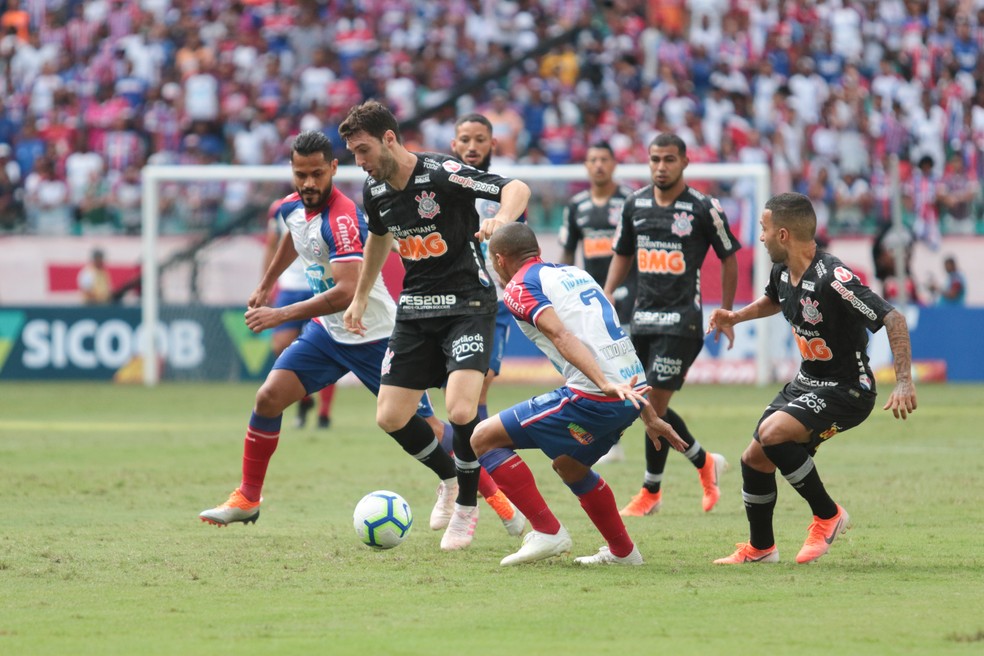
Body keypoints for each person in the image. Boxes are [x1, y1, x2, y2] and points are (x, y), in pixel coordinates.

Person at [199, 131, 460, 527]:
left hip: (376, 336)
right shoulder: (291, 206)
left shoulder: (342, 218)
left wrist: (280, 313)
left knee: (427, 428)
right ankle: (248, 498)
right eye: (300, 174)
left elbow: (346, 292)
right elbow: (295, 236)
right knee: (268, 398)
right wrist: (266, 284)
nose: (308, 183)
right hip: (328, 334)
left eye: (317, 174)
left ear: (334, 169)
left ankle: (486, 492)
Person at [339, 101, 531, 551]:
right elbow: (379, 236)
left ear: (389, 138)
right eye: (353, 154)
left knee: (461, 411)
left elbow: (516, 187)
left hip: (468, 304)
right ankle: (449, 477)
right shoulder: (375, 189)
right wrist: (361, 295)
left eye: (363, 150)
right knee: (390, 417)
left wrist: (501, 219)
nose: (360, 162)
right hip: (416, 311)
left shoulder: (442, 172)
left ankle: (466, 508)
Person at [708, 192, 916, 565]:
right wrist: (736, 317)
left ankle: (828, 515)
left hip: (848, 388)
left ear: (783, 234)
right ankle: (761, 549)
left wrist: (903, 380)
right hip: (807, 381)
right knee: (753, 458)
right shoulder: (783, 270)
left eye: (764, 229)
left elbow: (893, 317)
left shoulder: (834, 278)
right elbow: (774, 299)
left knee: (772, 434)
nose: (760, 237)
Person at [471, 222, 686, 566]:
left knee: (483, 439)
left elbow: (561, 336)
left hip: (595, 396)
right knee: (570, 466)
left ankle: (547, 532)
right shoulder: (574, 274)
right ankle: (624, 553)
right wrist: (648, 414)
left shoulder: (518, 286)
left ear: (499, 259)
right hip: (629, 394)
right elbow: (613, 342)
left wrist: (601, 384)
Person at [604, 133, 737, 516]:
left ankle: (651, 492)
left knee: (650, 404)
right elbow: (622, 253)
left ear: (685, 162)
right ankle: (704, 462)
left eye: (669, 160)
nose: (661, 167)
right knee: (647, 407)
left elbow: (729, 258)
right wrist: (607, 293)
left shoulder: (702, 207)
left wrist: (726, 311)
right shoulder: (635, 203)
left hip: (682, 322)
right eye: (655, 160)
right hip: (642, 319)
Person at [448, 112, 526, 535]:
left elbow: (520, 251)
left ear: (492, 145)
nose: (472, 146)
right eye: (465, 139)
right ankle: (466, 474)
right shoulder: (441, 187)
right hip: (447, 305)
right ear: (454, 144)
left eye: (480, 139)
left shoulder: (505, 196)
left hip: (490, 307)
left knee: (476, 390)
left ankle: (478, 486)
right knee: (454, 404)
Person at [559, 141, 637, 463]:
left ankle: (616, 437)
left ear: (614, 164)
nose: (599, 165)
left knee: (624, 366)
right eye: (593, 159)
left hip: (629, 293)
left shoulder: (629, 200)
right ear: (587, 166)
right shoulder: (576, 205)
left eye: (604, 159)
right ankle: (606, 439)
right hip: (592, 297)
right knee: (595, 365)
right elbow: (567, 250)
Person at [262, 197, 337, 429]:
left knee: (330, 346)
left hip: (322, 284)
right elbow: (272, 245)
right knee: (280, 344)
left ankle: (324, 414)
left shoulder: (335, 208)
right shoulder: (279, 209)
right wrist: (266, 285)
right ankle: (305, 400)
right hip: (290, 286)